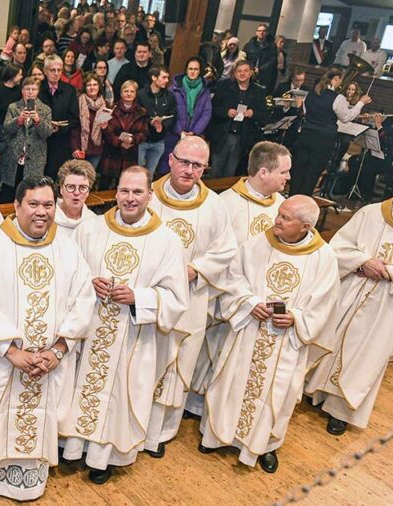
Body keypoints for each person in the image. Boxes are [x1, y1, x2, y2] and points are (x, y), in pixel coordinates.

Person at [0, 176, 95, 500]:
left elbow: (84, 300)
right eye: (33, 204)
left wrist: (59, 349)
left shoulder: (67, 248)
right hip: (1, 359)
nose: (41, 212)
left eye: (48, 204)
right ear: (16, 205)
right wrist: (11, 351)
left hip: (48, 362)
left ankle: (28, 481)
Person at [63, 166, 188, 484]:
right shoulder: (90, 229)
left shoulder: (167, 241)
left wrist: (138, 297)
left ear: (150, 195)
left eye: (137, 192)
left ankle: (103, 458)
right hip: (89, 331)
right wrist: (88, 283)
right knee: (80, 388)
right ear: (115, 192)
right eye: (124, 191)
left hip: (133, 336)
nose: (130, 198)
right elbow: (68, 273)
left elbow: (176, 299)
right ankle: (72, 448)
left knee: (118, 397)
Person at [200, 196, 339, 473]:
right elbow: (233, 278)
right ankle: (216, 435)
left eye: (286, 218)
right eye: (279, 214)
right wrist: (249, 302)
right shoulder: (258, 244)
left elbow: (325, 303)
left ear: (306, 226)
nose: (277, 220)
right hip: (249, 331)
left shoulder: (324, 258)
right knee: (231, 382)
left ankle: (265, 446)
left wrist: (296, 317)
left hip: (286, 342)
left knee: (278, 394)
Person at [306, 166, 393, 435]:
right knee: (332, 342)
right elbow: (337, 248)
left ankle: (341, 411)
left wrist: (392, 272)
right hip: (352, 290)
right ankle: (315, 392)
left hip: (391, 304)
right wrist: (363, 261)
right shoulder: (370, 214)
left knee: (366, 359)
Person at [143, 137, 236, 457]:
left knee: (178, 364)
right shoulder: (148, 196)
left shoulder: (214, 206)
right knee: (144, 362)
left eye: (198, 165)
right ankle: (131, 425)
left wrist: (196, 269)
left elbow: (226, 250)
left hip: (190, 301)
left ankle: (160, 432)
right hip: (151, 299)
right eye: (184, 162)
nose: (189, 170)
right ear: (170, 159)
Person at [185, 141, 292, 419]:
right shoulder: (226, 204)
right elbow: (215, 254)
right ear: (264, 172)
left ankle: (225, 407)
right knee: (211, 349)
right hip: (225, 295)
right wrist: (240, 295)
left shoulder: (283, 208)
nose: (288, 177)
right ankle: (195, 404)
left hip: (260, 301)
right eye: (283, 172)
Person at [289, 68, 369, 196]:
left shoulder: (310, 93)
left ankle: (292, 197)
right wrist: (360, 103)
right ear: (336, 78)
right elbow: (346, 117)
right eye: (340, 79)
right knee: (312, 174)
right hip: (323, 140)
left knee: (298, 171)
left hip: (305, 135)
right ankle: (303, 200)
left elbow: (306, 111)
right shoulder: (338, 98)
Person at [207, 60, 269, 179]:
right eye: (239, 71)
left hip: (242, 139)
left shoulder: (259, 91)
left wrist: (253, 113)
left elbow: (264, 117)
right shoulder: (223, 86)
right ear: (234, 73)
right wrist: (226, 112)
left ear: (251, 72)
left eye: (245, 71)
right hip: (223, 136)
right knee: (215, 172)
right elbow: (213, 109)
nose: (242, 73)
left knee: (230, 174)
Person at [0, 77, 52, 204]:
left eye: (34, 89)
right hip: (14, 157)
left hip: (35, 158)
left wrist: (38, 121)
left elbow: (47, 133)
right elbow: (7, 129)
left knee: (31, 192)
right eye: (27, 89)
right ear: (22, 91)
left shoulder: (45, 109)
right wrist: (18, 120)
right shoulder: (13, 107)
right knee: (9, 192)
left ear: (38, 91)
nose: (30, 92)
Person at [99, 80, 148, 190]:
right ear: (121, 93)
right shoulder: (111, 108)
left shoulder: (142, 112)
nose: (129, 94)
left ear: (136, 94)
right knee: (104, 186)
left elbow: (144, 134)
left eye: (132, 91)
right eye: (126, 91)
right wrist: (119, 142)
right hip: (111, 153)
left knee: (124, 187)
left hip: (130, 154)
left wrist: (132, 140)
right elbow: (104, 130)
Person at [40, 55, 80, 178]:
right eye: (53, 70)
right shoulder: (37, 89)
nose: (56, 73)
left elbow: (75, 119)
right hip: (40, 140)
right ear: (45, 71)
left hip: (61, 142)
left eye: (59, 70)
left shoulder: (69, 90)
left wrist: (60, 127)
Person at [137, 66, 176, 175]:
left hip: (159, 141)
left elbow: (173, 116)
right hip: (142, 140)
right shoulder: (141, 94)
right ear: (154, 77)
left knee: (150, 174)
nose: (167, 80)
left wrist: (163, 126)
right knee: (137, 172)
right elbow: (136, 116)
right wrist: (150, 123)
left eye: (167, 78)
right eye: (164, 77)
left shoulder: (169, 96)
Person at [170, 57, 212, 145]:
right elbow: (170, 112)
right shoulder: (174, 89)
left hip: (194, 136)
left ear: (200, 71)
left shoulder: (205, 91)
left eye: (196, 69)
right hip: (174, 134)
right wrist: (179, 131)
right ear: (186, 70)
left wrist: (195, 132)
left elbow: (206, 114)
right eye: (190, 69)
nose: (193, 72)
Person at [54, 159, 97, 236]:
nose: (77, 193)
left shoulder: (93, 221)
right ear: (61, 189)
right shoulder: (48, 217)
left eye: (83, 187)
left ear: (88, 192)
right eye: (71, 187)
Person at [243, 24, 276, 93]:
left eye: (264, 31)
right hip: (250, 73)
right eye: (259, 31)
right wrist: (251, 68)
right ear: (256, 32)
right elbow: (244, 58)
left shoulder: (272, 46)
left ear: (267, 33)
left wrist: (260, 69)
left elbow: (272, 61)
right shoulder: (249, 45)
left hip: (264, 75)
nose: (261, 32)